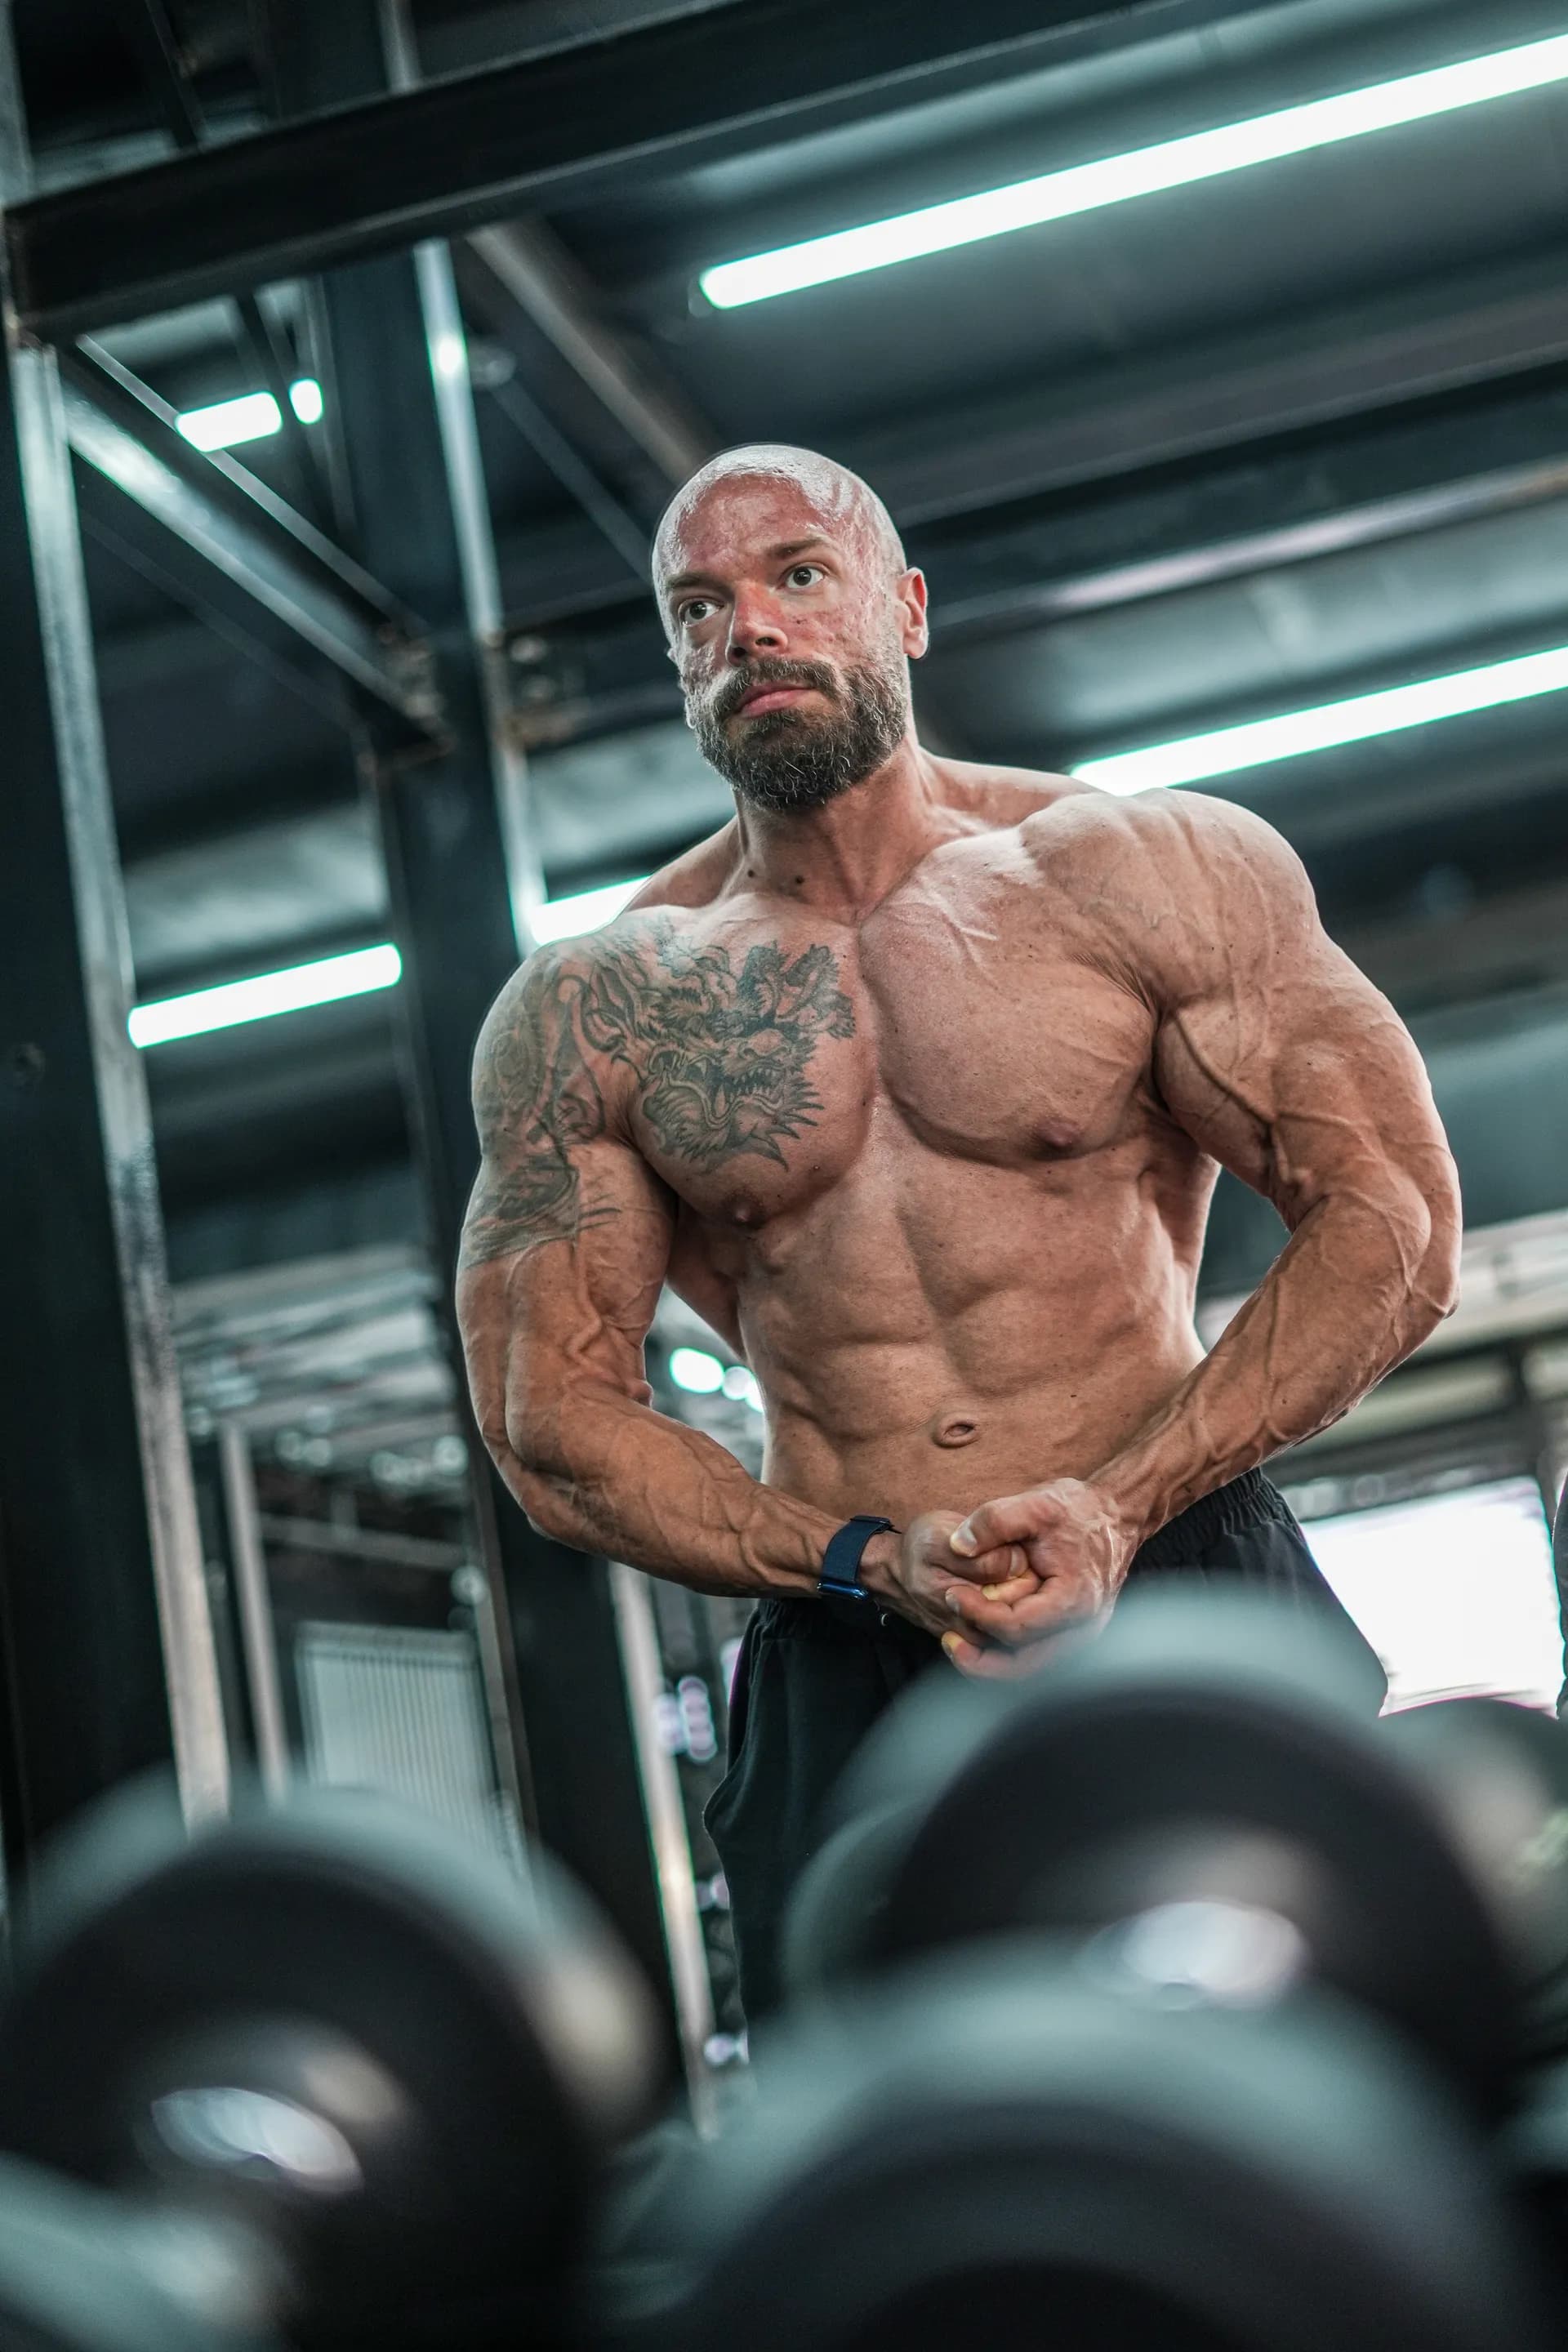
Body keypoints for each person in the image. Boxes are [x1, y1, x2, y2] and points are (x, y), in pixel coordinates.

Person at [456, 443, 1460, 2020]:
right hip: (847, 1628)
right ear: (676, 660)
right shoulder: (601, 1002)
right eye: (699, 606)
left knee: (1337, 2063)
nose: (751, 628)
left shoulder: (1144, 874)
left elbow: (1393, 1222)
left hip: (1176, 1565)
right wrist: (861, 1560)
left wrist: (1118, 1510)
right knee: (890, 2126)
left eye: (799, 575)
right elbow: (549, 1423)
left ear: (908, 610)